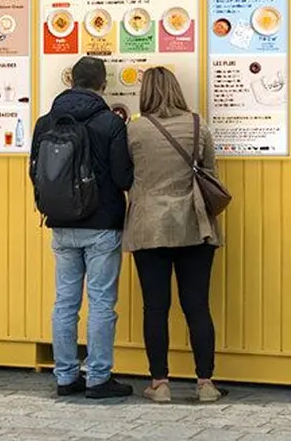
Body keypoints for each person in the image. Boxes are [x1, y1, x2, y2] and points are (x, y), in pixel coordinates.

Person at [30, 55, 134, 399]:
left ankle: (65, 376)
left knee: (65, 302)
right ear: (102, 84)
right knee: (102, 301)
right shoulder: (109, 123)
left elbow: (36, 172)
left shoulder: (46, 122)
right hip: (103, 224)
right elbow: (123, 177)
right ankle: (99, 378)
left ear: (70, 81)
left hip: (60, 222)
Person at [124, 67, 224, 404]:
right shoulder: (198, 125)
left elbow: (125, 176)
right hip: (195, 224)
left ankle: (160, 383)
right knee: (197, 305)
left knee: (155, 307)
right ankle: (206, 383)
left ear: (146, 92)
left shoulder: (135, 130)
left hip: (150, 226)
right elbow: (210, 172)